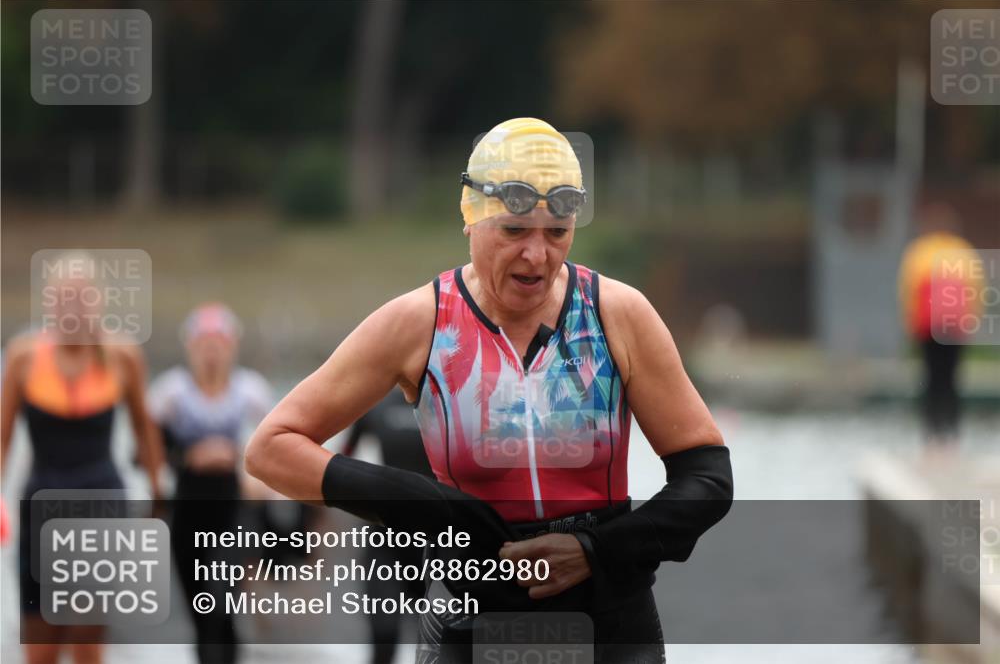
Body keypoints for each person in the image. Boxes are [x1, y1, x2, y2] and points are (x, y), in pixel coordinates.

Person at [246, 118, 733, 663]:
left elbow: (708, 479)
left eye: (556, 233)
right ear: (471, 219)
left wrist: (595, 551)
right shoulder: (421, 324)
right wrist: (431, 508)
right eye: (515, 230)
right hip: (473, 623)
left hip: (608, 623)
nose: (537, 256)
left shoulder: (617, 314)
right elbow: (271, 448)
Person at [0, 261, 163, 664]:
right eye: (63, 297)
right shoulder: (23, 358)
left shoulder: (122, 356)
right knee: (39, 643)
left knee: (88, 639)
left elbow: (145, 428)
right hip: (41, 503)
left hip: (101, 505)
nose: (72, 307)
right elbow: (1, 439)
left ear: (98, 302)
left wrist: (159, 491)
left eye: (82, 297)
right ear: (49, 303)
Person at [146, 303, 273, 664]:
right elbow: (143, 454)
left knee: (220, 601)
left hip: (233, 511)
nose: (211, 351)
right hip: (187, 511)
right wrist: (188, 457)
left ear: (232, 347)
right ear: (190, 347)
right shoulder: (171, 393)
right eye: (204, 343)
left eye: (219, 343)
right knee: (203, 616)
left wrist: (241, 462)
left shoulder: (250, 391)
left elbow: (281, 444)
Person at [342, 389, 434, 664]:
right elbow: (343, 459)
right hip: (386, 537)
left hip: (439, 539)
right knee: (384, 633)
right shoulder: (375, 403)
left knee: (440, 643)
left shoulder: (451, 403)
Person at [898, 203, 982, 446]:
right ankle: (952, 432)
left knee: (931, 376)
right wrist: (972, 320)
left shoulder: (919, 252)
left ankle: (931, 432)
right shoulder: (963, 251)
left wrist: (909, 321)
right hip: (954, 326)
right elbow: (976, 289)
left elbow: (908, 290)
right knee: (952, 377)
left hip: (928, 325)